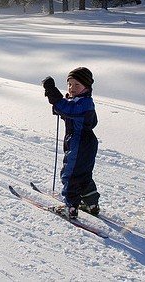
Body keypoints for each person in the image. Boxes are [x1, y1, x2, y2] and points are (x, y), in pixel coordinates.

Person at [42, 67, 100, 219]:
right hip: (84, 143)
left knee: (70, 175)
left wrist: (52, 93)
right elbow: (69, 111)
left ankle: (70, 208)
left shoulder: (84, 103)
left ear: (86, 87)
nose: (72, 88)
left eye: (77, 85)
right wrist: (62, 109)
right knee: (83, 175)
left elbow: (67, 109)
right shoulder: (80, 102)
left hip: (79, 144)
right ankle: (91, 204)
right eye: (70, 84)